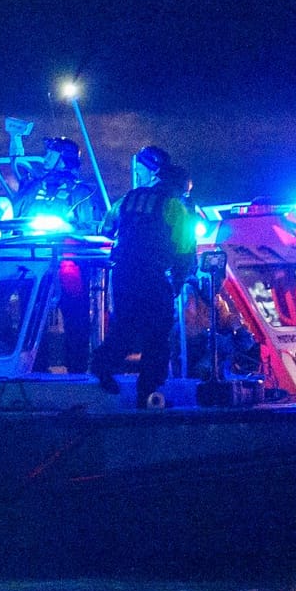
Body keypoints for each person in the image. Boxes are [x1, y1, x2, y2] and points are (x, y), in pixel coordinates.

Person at [92, 145, 193, 406]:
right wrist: (178, 284)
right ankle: (147, 393)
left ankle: (103, 364)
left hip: (122, 274)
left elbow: (105, 230)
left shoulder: (128, 198)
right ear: (179, 188)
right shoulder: (175, 207)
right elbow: (184, 251)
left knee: (126, 325)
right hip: (151, 274)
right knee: (158, 334)